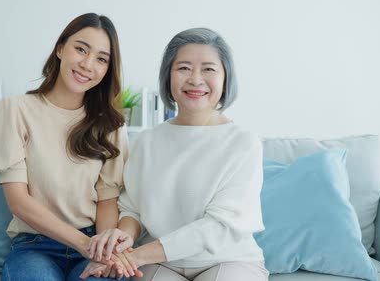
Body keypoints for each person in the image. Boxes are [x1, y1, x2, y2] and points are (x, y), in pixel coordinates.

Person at [82, 28, 269, 280]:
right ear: (168, 76)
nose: (195, 79)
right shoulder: (146, 141)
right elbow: (132, 208)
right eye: (183, 68)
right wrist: (124, 237)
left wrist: (136, 256)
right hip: (159, 262)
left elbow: (218, 228)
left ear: (226, 78)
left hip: (229, 259)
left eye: (208, 69)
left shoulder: (243, 143)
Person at [0, 13, 137, 281]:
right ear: (60, 49)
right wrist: (84, 245)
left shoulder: (111, 125)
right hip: (35, 246)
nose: (88, 64)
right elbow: (18, 202)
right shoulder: (15, 110)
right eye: (81, 49)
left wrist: (102, 252)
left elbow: (107, 201)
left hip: (94, 242)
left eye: (101, 59)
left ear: (107, 69)